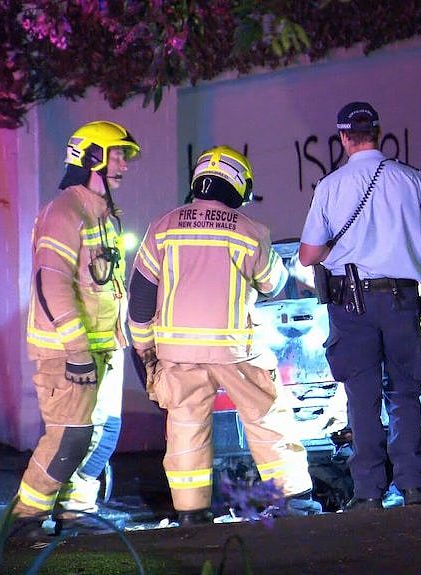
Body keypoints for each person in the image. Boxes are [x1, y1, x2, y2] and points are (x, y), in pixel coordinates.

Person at [127, 145, 321, 525]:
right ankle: (294, 499)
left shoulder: (162, 227)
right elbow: (273, 284)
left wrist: (144, 347)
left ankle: (191, 512)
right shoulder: (251, 231)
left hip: (177, 353)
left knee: (185, 428)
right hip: (236, 350)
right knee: (267, 417)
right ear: (237, 185)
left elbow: (141, 294)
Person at [299, 101, 421, 510]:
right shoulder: (411, 179)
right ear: (378, 133)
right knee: (405, 392)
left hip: (352, 304)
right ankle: (415, 486)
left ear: (344, 138)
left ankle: (368, 492)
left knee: (361, 397)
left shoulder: (330, 186)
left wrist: (342, 248)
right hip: (401, 300)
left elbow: (309, 254)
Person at [13, 120, 140, 535]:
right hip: (70, 354)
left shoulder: (103, 214)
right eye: (116, 154)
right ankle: (25, 520)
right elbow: (51, 282)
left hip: (104, 349)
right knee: (70, 437)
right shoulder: (64, 211)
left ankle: (76, 511)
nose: (123, 163)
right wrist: (77, 352)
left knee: (103, 436)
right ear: (92, 159)